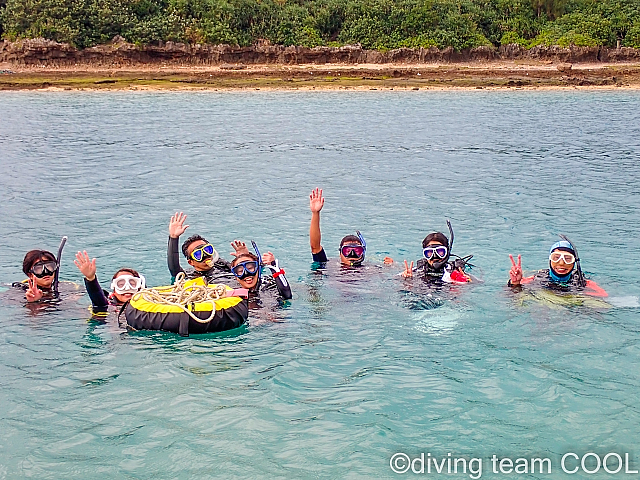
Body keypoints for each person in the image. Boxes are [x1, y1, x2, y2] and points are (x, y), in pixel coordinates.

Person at [508, 237, 607, 296]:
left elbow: (603, 296)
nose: (561, 263)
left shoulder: (581, 281)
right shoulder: (539, 277)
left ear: (574, 262)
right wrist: (515, 282)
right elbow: (512, 295)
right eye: (556, 257)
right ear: (550, 260)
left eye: (567, 259)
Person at [167, 212, 234, 285]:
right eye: (198, 254)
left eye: (207, 250)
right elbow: (174, 269)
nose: (205, 255)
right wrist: (173, 238)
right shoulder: (189, 276)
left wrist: (245, 255)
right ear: (191, 262)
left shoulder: (222, 265)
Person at [309, 187, 368, 267]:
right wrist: (315, 213)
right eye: (347, 250)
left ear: (362, 254)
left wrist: (390, 266)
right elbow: (315, 247)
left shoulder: (371, 270)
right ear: (340, 253)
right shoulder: (329, 266)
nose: (352, 255)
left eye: (357, 250)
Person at [74, 250, 146, 315]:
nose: (127, 288)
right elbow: (97, 297)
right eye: (121, 285)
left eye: (132, 284)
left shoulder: (147, 302)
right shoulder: (107, 304)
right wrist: (91, 278)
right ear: (114, 289)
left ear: (139, 287)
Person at [401, 220, 473, 284]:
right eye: (429, 252)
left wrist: (467, 282)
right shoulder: (417, 271)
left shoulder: (454, 271)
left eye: (440, 251)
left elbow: (476, 282)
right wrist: (407, 281)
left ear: (447, 252)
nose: (435, 256)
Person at [229, 240, 292, 306]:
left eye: (250, 268)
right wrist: (244, 257)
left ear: (258, 269)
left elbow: (287, 296)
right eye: (240, 271)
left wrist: (273, 267)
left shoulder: (268, 285)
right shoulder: (229, 287)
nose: (246, 274)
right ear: (235, 276)